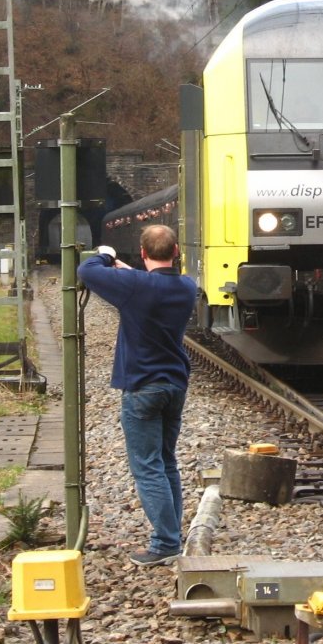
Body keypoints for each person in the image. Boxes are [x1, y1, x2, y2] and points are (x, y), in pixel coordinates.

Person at [78, 224, 197, 566]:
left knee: (147, 468)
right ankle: (173, 534)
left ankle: (164, 543)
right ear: (176, 252)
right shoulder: (186, 287)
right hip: (175, 385)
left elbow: (87, 270)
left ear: (143, 253)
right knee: (167, 461)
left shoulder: (135, 287)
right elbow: (154, 284)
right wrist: (128, 272)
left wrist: (107, 254)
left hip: (143, 387)